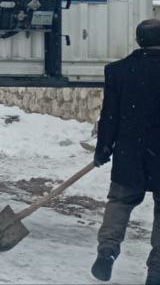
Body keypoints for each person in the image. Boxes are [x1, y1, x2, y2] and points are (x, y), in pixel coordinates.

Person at [91, 19, 160, 283]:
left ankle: (107, 250)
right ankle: (156, 271)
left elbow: (109, 116)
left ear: (138, 40)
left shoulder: (119, 71)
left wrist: (103, 150)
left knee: (119, 201)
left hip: (130, 152)